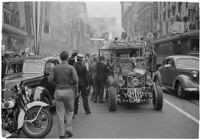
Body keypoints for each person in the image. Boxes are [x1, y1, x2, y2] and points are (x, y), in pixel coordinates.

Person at [48, 51, 78, 138]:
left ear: (60, 58)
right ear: (68, 58)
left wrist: (56, 85)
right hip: (68, 91)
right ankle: (68, 130)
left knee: (60, 113)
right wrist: (70, 83)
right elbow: (76, 80)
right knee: (69, 111)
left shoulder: (55, 68)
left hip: (58, 91)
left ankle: (61, 134)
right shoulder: (71, 67)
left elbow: (50, 80)